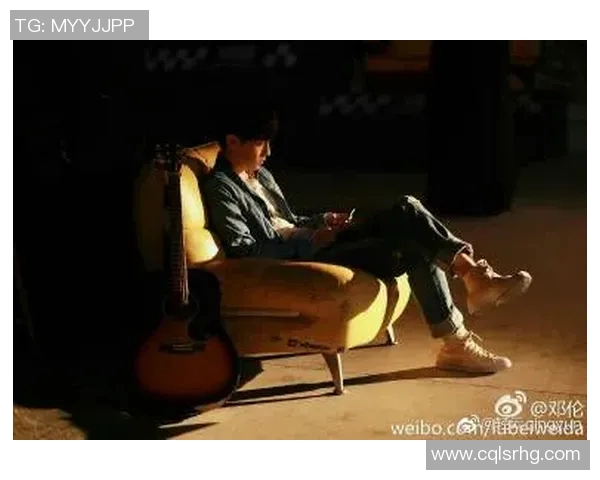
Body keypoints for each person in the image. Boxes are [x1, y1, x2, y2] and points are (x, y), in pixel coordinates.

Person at [202, 103, 532, 374]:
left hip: (321, 240)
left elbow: (285, 221)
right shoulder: (221, 187)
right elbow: (246, 249)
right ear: (233, 142)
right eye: (260, 143)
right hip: (307, 255)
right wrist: (311, 239)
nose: (268, 152)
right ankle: (466, 308)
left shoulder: (259, 174)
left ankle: (470, 289)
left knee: (408, 207)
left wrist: (323, 220)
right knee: (415, 242)